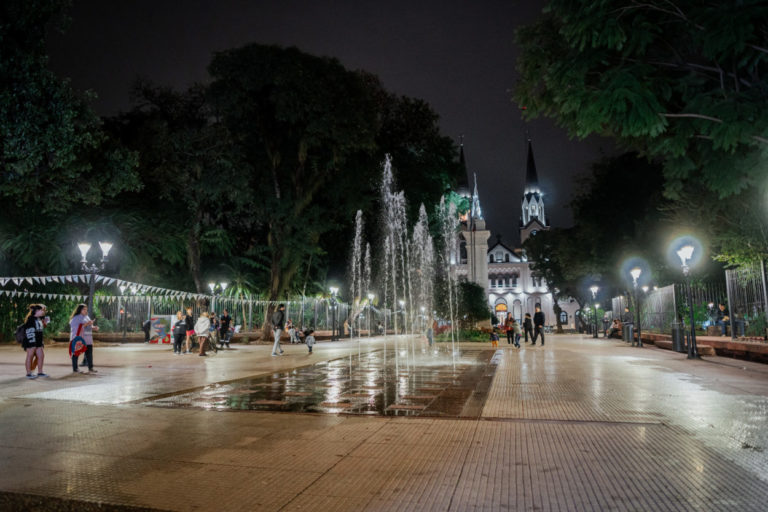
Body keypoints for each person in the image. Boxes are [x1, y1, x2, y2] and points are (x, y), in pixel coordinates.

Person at [69, 304, 99, 373]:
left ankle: (90, 368)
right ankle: (75, 368)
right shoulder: (76, 318)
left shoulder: (87, 317)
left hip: (88, 338)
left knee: (89, 353)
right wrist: (87, 324)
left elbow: (89, 326)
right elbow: (75, 327)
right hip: (79, 338)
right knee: (76, 353)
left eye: (86, 309)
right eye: (84, 309)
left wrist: (94, 327)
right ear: (79, 310)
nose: (86, 311)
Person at [23, 304, 49, 379]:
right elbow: (29, 332)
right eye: (41, 310)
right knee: (30, 356)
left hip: (38, 342)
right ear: (37, 311)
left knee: (41, 356)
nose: (43, 311)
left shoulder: (39, 319)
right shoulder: (30, 319)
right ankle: (28, 373)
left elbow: (40, 330)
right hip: (31, 341)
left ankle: (40, 372)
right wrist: (32, 342)